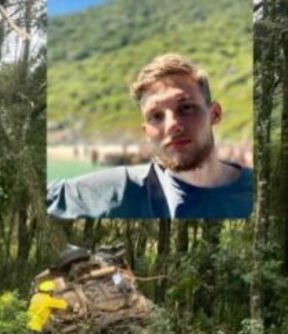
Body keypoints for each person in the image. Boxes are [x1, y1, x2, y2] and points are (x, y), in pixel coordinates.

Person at [47, 54, 253, 219]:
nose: (172, 125)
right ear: (146, 131)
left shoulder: (258, 191)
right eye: (156, 116)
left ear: (214, 114)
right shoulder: (121, 189)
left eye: (186, 108)